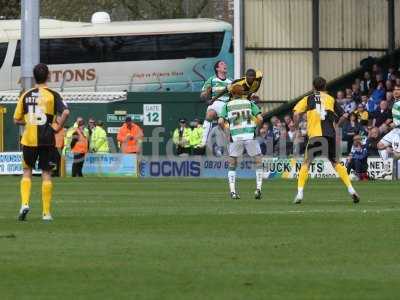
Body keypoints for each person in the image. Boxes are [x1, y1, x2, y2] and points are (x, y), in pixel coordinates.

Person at [13, 63, 70, 221]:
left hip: (29, 139)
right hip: (47, 139)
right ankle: (46, 213)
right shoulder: (53, 94)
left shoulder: (26, 94)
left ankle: (24, 203)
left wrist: (29, 122)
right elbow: (65, 111)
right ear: (48, 76)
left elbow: (15, 119)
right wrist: (58, 126)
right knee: (46, 174)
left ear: (34, 77)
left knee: (27, 172)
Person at [292, 76, 360, 204]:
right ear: (325, 87)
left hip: (314, 136)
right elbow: (345, 114)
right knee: (336, 163)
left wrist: (296, 128)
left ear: (313, 87)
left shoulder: (308, 98)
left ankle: (300, 193)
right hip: (330, 135)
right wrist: (337, 125)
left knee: (306, 163)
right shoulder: (330, 99)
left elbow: (296, 113)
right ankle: (351, 190)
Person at [218, 84, 264, 200]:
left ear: (232, 93)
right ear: (243, 93)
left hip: (235, 136)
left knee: (232, 164)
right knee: (258, 161)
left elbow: (220, 122)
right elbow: (260, 119)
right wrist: (256, 129)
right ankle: (258, 189)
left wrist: (226, 131)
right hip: (249, 134)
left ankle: (233, 192)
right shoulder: (249, 103)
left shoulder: (227, 105)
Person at [200, 60, 233, 147]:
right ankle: (203, 142)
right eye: (222, 64)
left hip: (227, 105)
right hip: (216, 103)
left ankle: (229, 146)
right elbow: (202, 96)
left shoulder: (231, 81)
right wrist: (207, 92)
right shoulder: (211, 79)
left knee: (226, 127)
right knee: (210, 114)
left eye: (225, 63)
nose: (225, 64)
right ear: (217, 68)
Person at [377, 85, 400, 160]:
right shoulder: (395, 102)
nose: (396, 91)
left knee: (397, 156)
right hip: (395, 130)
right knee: (380, 145)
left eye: (398, 90)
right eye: (395, 89)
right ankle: (387, 170)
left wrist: (396, 123)